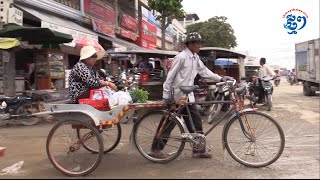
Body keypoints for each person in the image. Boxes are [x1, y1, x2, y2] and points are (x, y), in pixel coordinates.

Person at [149, 32, 233, 159]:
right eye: (198, 43)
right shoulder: (181, 57)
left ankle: (198, 150)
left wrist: (220, 78)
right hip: (177, 95)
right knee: (169, 123)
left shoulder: (195, 57)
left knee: (196, 122)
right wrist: (166, 95)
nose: (200, 46)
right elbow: (170, 76)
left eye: (200, 43)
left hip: (189, 96)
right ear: (190, 44)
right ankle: (155, 149)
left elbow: (204, 71)